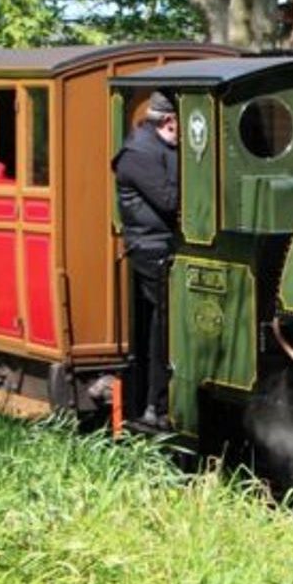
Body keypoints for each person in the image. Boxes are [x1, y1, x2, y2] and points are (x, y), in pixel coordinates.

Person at [111, 92, 180, 428]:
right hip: (152, 249)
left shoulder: (159, 148)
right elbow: (168, 200)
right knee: (164, 323)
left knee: (166, 324)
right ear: (169, 122)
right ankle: (156, 403)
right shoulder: (138, 153)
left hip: (166, 245)